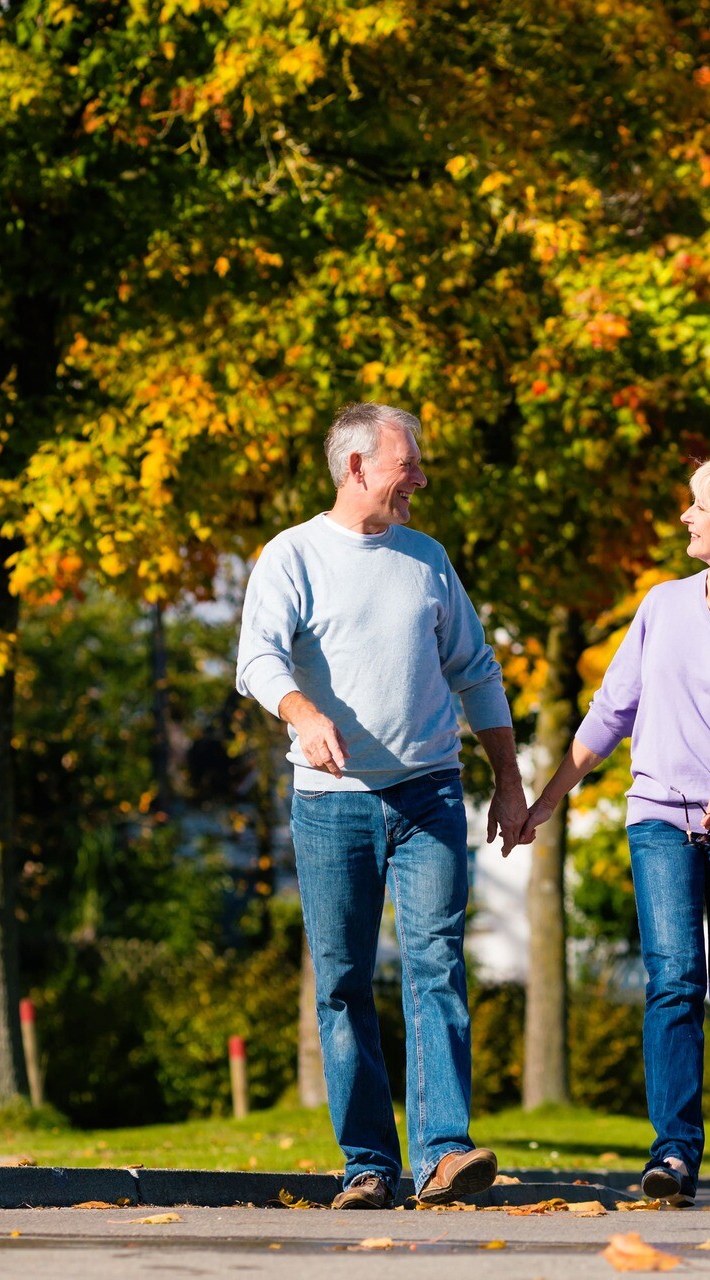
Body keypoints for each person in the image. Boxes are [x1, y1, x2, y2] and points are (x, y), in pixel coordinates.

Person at [236, 403, 528, 1209]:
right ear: (356, 467)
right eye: (409, 465)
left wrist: (507, 780)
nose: (421, 479)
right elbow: (257, 658)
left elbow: (477, 671)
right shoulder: (292, 556)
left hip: (430, 792)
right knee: (343, 980)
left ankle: (443, 1154)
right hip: (332, 803)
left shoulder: (427, 559)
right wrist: (303, 712)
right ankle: (367, 1163)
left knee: (435, 965)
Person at [522, 450, 710, 1211]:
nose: (685, 516)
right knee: (674, 980)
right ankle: (674, 1156)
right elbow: (612, 708)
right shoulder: (660, 604)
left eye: (699, 506)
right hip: (657, 817)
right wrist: (551, 794)